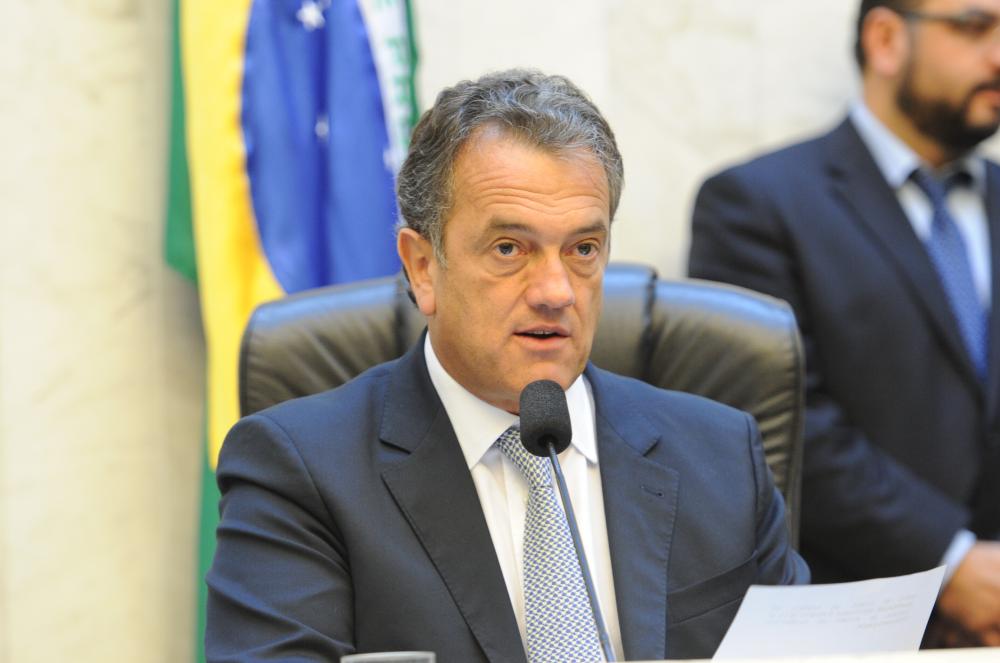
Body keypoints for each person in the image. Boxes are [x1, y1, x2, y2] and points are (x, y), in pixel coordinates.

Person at [206, 69, 807, 662]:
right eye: (509, 249)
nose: (556, 291)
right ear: (422, 268)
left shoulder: (723, 458)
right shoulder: (300, 473)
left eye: (583, 249)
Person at [689, 0, 1000, 647]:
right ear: (885, 39)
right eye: (974, 27)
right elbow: (777, 422)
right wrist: (951, 560)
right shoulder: (757, 204)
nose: (998, 56)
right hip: (856, 622)